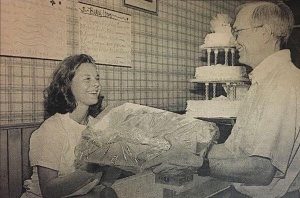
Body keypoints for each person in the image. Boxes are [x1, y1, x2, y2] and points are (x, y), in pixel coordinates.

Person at [142, 1, 300, 197]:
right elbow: (233, 150)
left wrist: (199, 164)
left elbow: (263, 169)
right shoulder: (262, 83)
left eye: (238, 31)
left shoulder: (284, 84)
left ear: (264, 33)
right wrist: (185, 150)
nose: (234, 41)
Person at [22, 54, 119, 198]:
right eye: (87, 79)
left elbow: (103, 182)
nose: (97, 84)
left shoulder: (97, 126)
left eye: (97, 78)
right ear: (67, 85)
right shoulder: (51, 129)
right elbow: (49, 192)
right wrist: (93, 167)